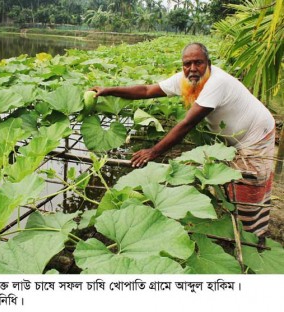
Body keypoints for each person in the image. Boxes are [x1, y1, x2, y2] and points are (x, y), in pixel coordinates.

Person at [91, 42, 276, 238]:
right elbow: (146, 90)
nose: (193, 68)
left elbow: (187, 124)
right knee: (235, 182)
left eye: (198, 63)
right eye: (187, 64)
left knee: (249, 187)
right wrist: (108, 90)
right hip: (237, 137)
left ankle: (254, 237)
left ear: (209, 63)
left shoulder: (216, 83)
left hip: (256, 134)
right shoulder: (186, 79)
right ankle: (241, 229)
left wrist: (153, 152)